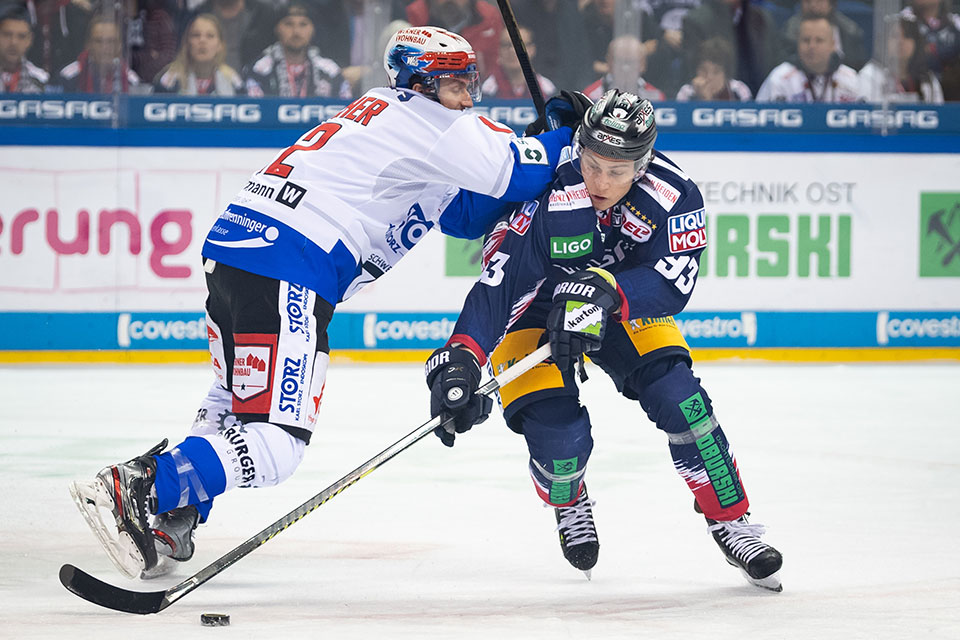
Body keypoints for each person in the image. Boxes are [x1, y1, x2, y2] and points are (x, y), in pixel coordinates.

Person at [69, 25, 577, 580]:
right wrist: (563, 134)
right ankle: (144, 484)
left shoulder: (387, 118)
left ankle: (175, 508)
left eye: (471, 82)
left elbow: (464, 213)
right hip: (292, 265)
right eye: (457, 83)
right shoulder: (427, 118)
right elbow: (517, 168)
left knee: (237, 401)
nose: (469, 97)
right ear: (422, 84)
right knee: (278, 443)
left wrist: (533, 152)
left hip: (243, 256)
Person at [423, 89, 784, 591]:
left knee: (684, 402)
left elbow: (673, 281)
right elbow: (499, 286)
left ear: (644, 164)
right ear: (579, 148)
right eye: (593, 164)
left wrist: (608, 291)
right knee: (559, 441)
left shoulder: (674, 194)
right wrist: (461, 356)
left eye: (618, 171)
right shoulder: (545, 188)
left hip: (622, 303)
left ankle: (730, 519)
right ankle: (569, 498)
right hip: (539, 309)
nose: (601, 181)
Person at [243, 1, 351, 98]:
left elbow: (346, 110)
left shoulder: (330, 71)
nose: (296, 32)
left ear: (313, 30)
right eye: (288, 24)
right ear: (276, 29)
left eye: (303, 24)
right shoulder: (259, 70)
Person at [755, 15, 859, 103]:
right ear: (797, 44)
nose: (812, 46)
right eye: (806, 40)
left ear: (833, 45)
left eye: (819, 40)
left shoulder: (851, 79)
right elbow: (758, 122)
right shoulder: (779, 79)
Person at [859, 15, 944, 104]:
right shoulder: (871, 74)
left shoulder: (927, 79)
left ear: (917, 44)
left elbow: (940, 114)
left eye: (907, 36)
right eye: (894, 36)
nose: (900, 41)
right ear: (884, 42)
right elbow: (868, 113)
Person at [154, 13, 243, 95]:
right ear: (187, 43)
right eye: (196, 35)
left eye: (210, 36)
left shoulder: (232, 79)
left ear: (220, 45)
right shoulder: (170, 79)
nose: (202, 40)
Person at [57, 14, 141, 93]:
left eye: (111, 41)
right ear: (88, 45)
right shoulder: (68, 77)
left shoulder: (131, 80)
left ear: (119, 46)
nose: (105, 48)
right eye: (99, 41)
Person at [780, 0, 868, 72]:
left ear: (831, 4)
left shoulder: (850, 31)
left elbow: (858, 66)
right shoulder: (788, 32)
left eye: (819, 1)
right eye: (807, 1)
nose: (813, 5)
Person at [481, 25, 557, 100]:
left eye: (519, 45)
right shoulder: (486, 90)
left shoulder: (546, 89)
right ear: (499, 50)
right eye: (506, 45)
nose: (512, 50)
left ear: (532, 50)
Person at [582, 35, 665, 102]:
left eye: (631, 62)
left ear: (643, 65)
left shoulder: (656, 96)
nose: (625, 68)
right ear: (609, 62)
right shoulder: (590, 96)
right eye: (620, 61)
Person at [675, 36, 752, 101]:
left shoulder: (739, 90)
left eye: (716, 71)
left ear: (725, 74)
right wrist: (702, 99)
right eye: (703, 70)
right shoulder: (686, 93)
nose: (709, 77)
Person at [0, 5, 48, 93]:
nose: (13, 42)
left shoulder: (41, 79)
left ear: (29, 40)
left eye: (21, 36)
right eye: (7, 35)